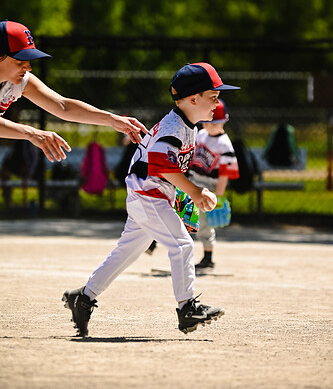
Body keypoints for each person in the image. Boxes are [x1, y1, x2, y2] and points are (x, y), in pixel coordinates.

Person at [62, 62, 240, 336]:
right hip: (148, 196)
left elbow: (170, 169)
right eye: (213, 97)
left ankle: (83, 298)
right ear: (193, 99)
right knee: (181, 245)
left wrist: (180, 200)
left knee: (125, 253)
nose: (217, 104)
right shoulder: (173, 127)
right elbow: (162, 166)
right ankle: (187, 308)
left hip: (149, 196)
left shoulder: (188, 126)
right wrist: (195, 191)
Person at [0, 20, 148, 162]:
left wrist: (111, 119)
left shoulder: (17, 81)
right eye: (20, 62)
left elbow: (64, 106)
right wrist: (31, 134)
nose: (28, 68)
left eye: (29, 61)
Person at [188, 99, 239, 270]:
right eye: (207, 123)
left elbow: (225, 173)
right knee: (181, 212)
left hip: (209, 187)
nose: (209, 127)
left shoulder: (224, 144)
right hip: (193, 181)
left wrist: (218, 196)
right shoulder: (201, 135)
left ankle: (208, 257)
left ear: (225, 120)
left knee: (204, 222)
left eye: (214, 124)